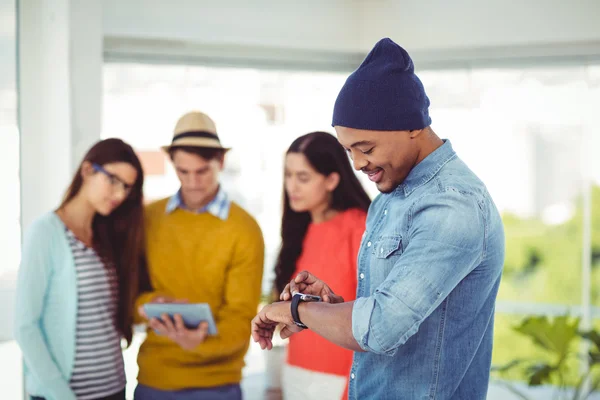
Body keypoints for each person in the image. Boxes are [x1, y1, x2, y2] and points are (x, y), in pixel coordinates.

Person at [252, 38, 505, 400]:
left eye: (366, 148)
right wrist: (327, 307)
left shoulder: (454, 207)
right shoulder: (390, 197)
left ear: (413, 127)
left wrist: (295, 310)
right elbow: (385, 311)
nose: (357, 164)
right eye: (348, 150)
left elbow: (382, 327)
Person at [134, 111, 265, 400]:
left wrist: (199, 343)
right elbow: (129, 296)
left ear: (221, 162)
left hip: (217, 386)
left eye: (202, 170)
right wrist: (147, 304)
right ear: (173, 165)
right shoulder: (148, 219)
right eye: (183, 171)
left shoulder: (244, 229)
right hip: (154, 381)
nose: (192, 182)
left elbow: (241, 318)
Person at [14, 138, 146, 400]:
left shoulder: (108, 236)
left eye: (127, 188)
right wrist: (61, 395)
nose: (119, 195)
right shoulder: (45, 233)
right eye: (113, 180)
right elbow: (25, 327)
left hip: (114, 388)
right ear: (87, 170)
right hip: (64, 395)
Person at [274, 131, 370, 400]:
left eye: (302, 177)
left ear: (331, 179)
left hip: (344, 377)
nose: (292, 186)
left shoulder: (360, 227)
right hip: (296, 372)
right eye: (288, 175)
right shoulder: (298, 229)